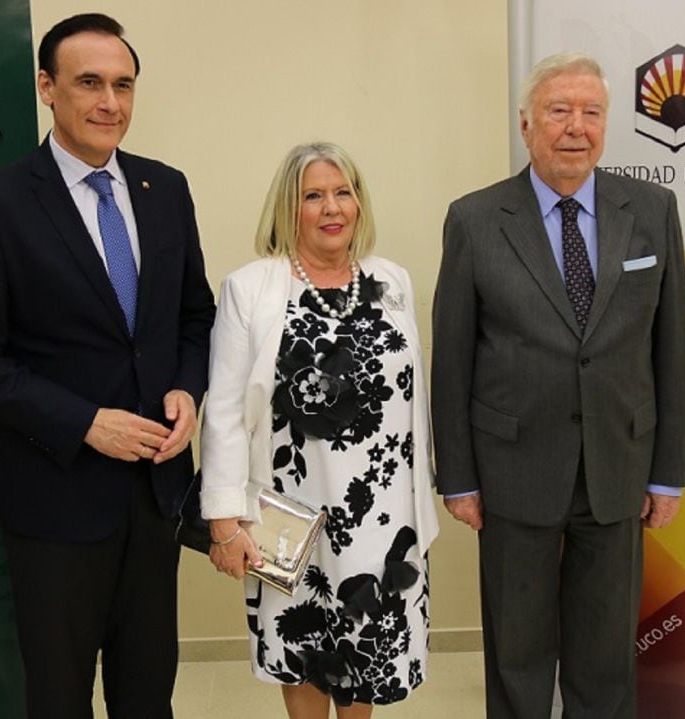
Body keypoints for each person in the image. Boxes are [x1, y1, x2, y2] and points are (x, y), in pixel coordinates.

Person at [0, 13, 214, 719]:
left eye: (123, 85)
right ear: (46, 88)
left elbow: (193, 316)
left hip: (157, 495)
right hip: (54, 497)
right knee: (59, 697)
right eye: (89, 82)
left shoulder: (165, 189)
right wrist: (85, 422)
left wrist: (187, 386)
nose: (109, 102)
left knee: (148, 690)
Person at [431, 51, 685, 718]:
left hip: (618, 465)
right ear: (526, 124)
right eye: (558, 111)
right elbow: (453, 358)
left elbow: (671, 350)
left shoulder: (653, 210)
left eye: (591, 112)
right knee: (518, 649)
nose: (576, 127)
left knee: (606, 653)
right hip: (512, 467)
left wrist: (667, 474)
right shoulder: (475, 219)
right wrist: (457, 476)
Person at [200, 142, 439, 719]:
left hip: (384, 514)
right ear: (289, 208)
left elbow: (411, 398)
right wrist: (224, 522)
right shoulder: (250, 288)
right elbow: (228, 413)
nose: (332, 208)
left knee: (368, 653)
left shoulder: (392, 281)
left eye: (343, 192)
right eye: (313, 196)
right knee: (305, 648)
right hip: (290, 513)